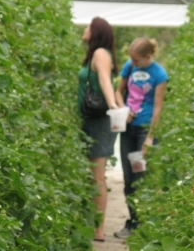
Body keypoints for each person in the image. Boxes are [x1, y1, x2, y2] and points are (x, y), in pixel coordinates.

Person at [114, 37, 168, 239]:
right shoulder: (130, 66)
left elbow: (158, 107)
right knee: (128, 178)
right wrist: (123, 108)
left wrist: (149, 138)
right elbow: (118, 92)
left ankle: (141, 223)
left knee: (140, 177)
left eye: (137, 60)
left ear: (148, 56)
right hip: (127, 129)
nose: (133, 63)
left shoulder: (159, 74)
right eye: (131, 59)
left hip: (143, 132)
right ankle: (132, 221)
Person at [78, 17, 119, 242]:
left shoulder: (101, 53)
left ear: (96, 32)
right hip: (91, 120)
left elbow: (105, 80)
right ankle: (93, 223)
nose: (85, 29)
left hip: (98, 121)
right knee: (93, 174)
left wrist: (112, 105)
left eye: (88, 27)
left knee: (97, 176)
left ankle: (98, 229)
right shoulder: (97, 53)